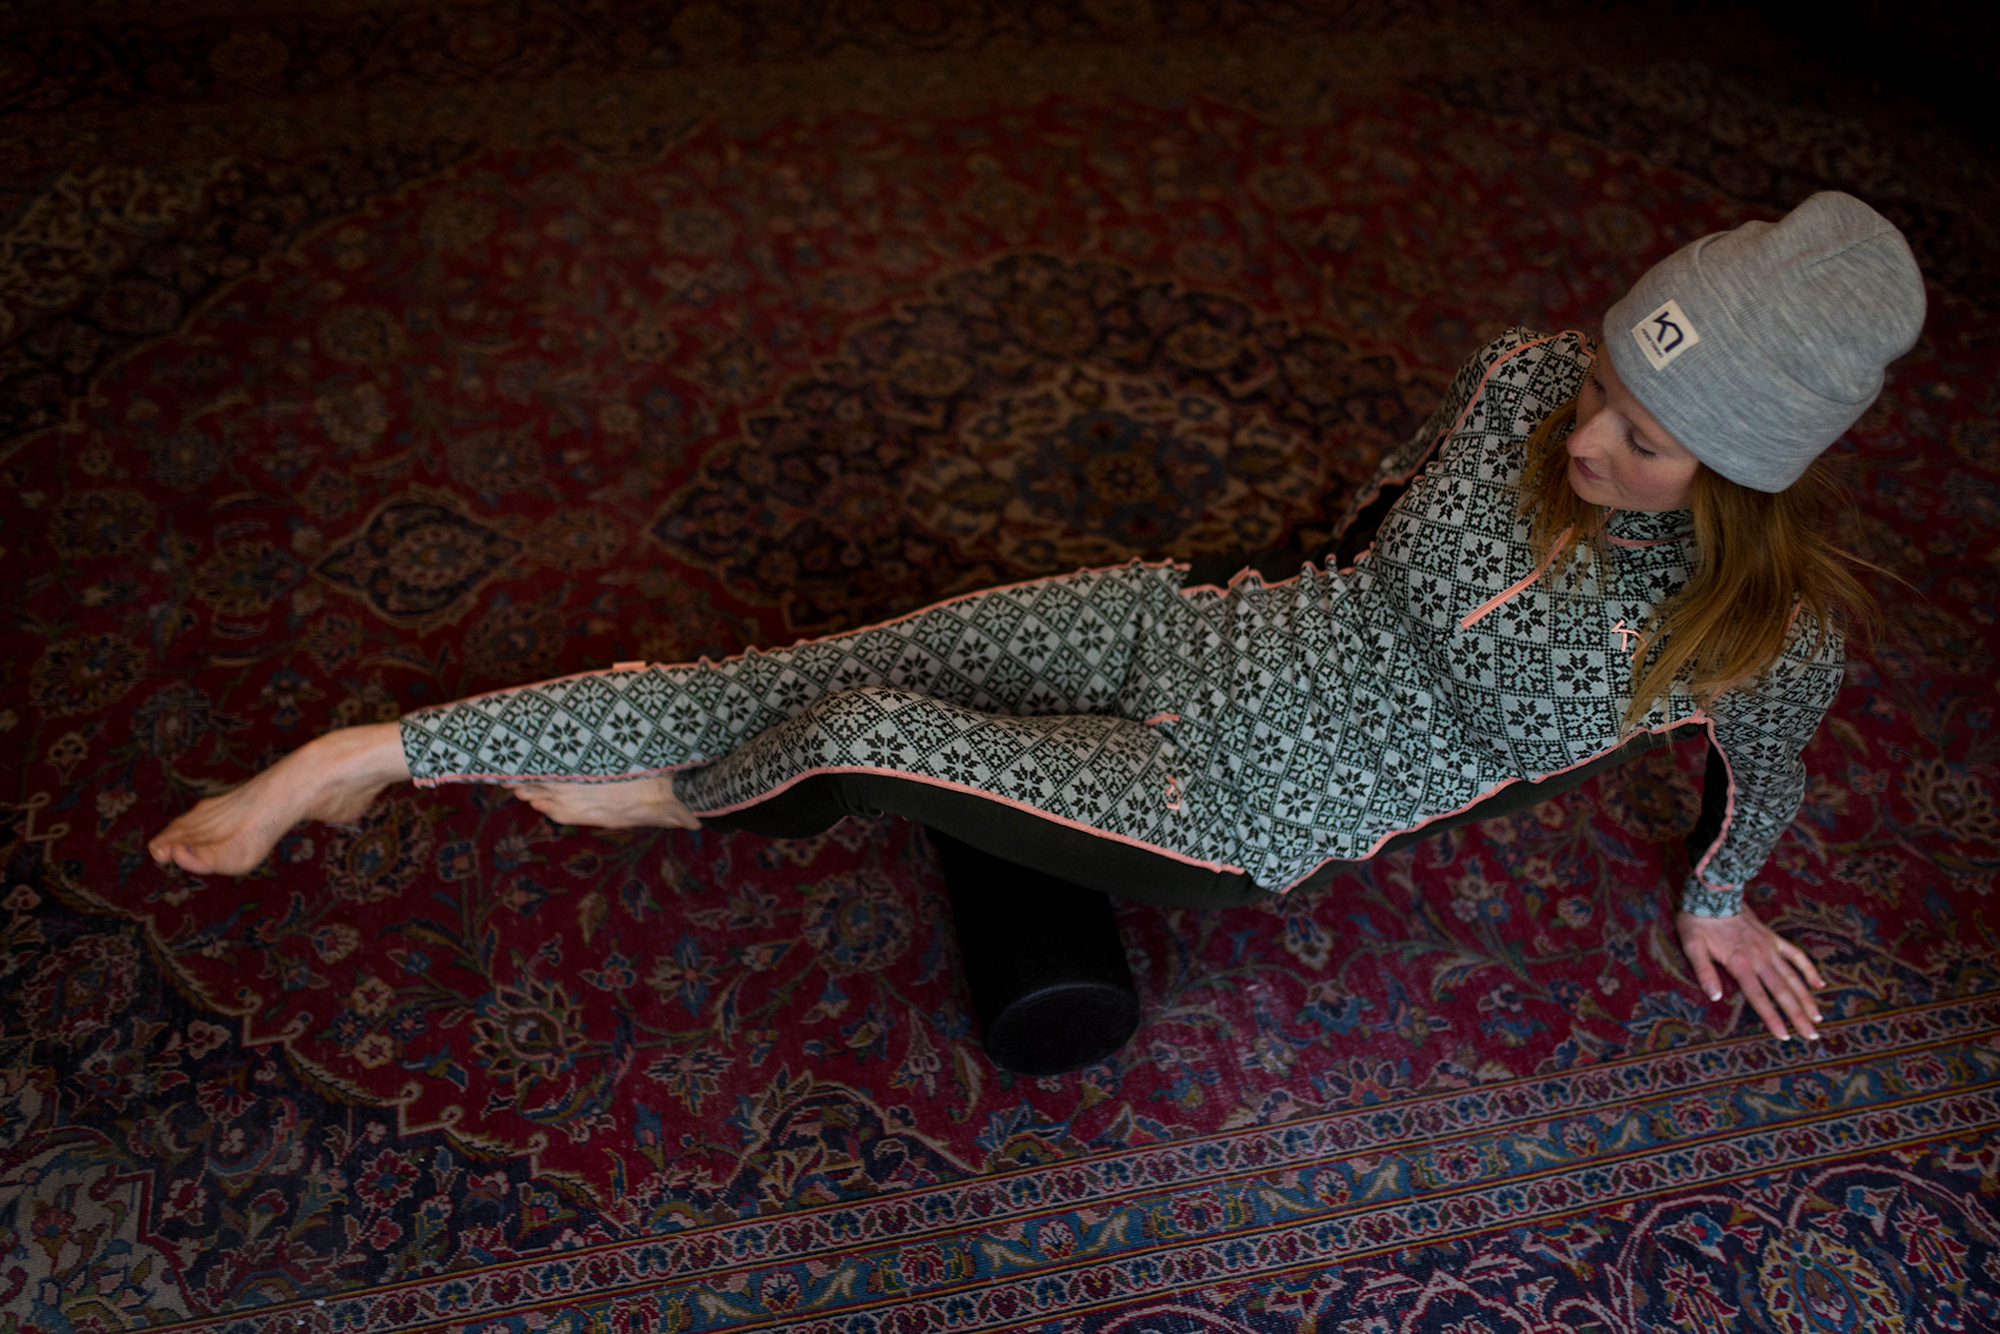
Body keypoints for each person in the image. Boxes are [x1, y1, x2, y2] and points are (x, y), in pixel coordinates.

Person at [150, 192, 1925, 1050]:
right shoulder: (1524, 381)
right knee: (817, 667)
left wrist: (1718, 896)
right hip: (1193, 633)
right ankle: (371, 754)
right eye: (1606, 381)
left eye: (1644, 440)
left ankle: (672, 796)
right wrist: (1257, 594)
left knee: (856, 738)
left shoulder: (1751, 637)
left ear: (1746, 476)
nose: (1588, 437)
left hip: (1240, 809)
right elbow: (1372, 516)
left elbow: (1756, 776)